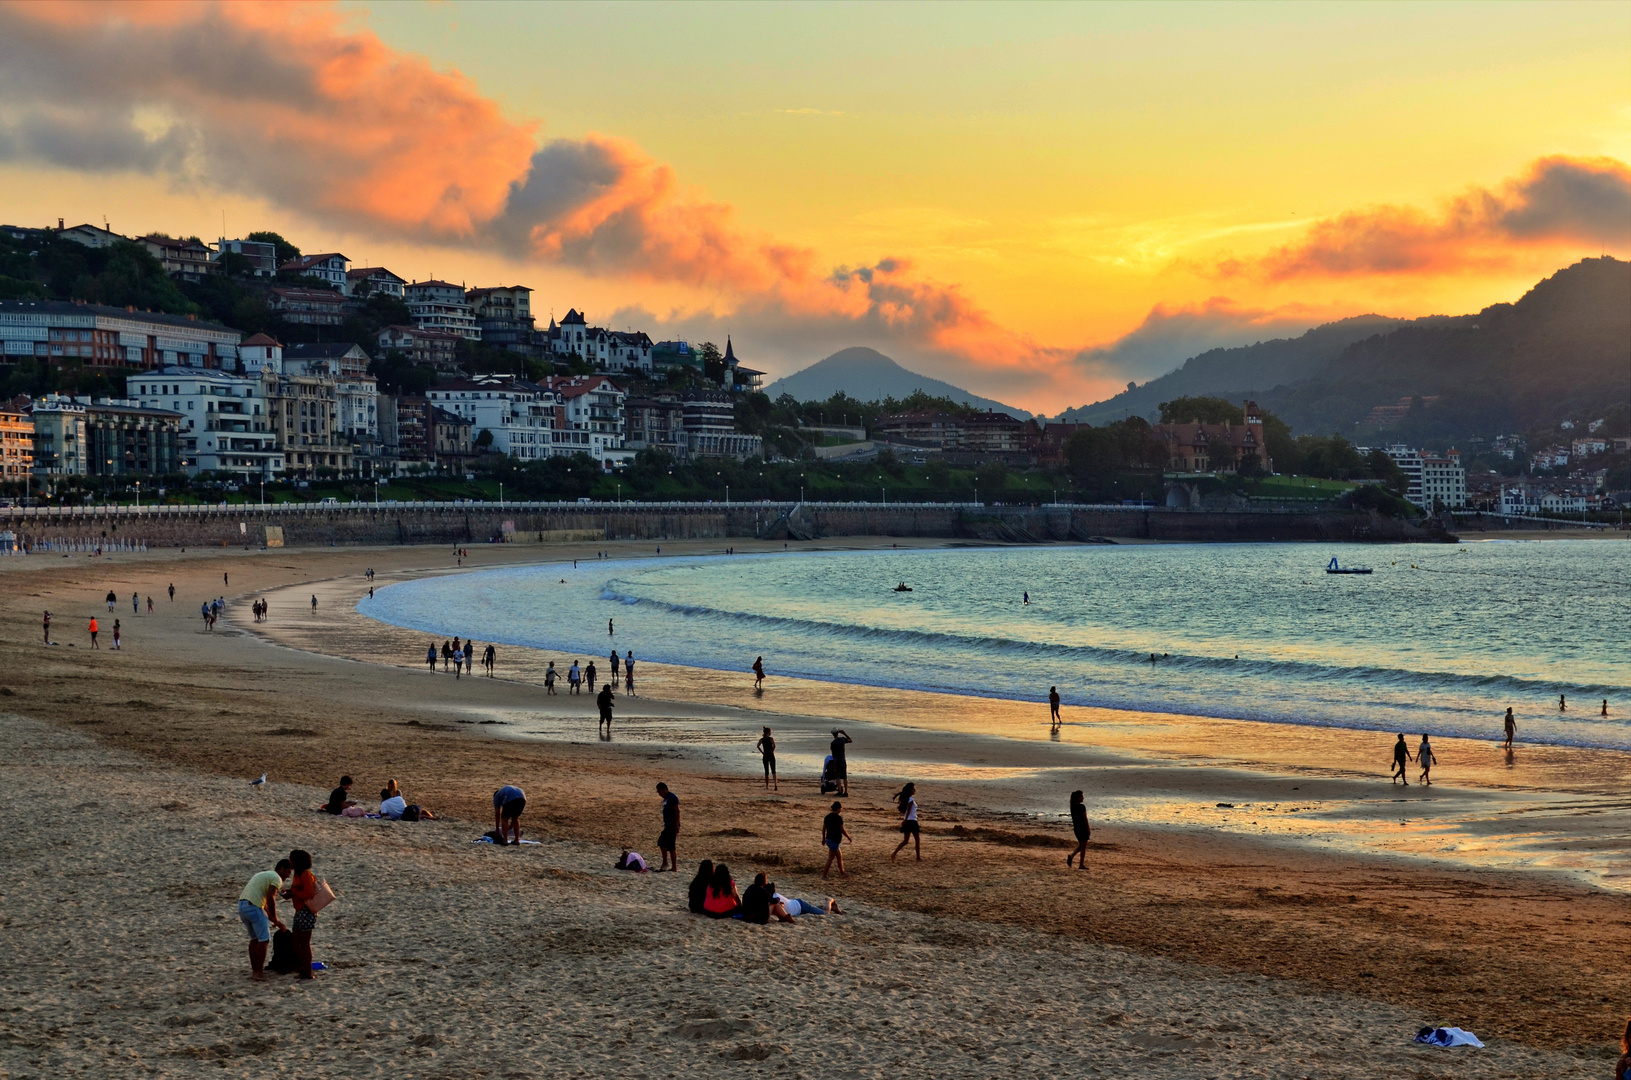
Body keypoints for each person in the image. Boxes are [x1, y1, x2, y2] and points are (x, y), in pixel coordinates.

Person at [238, 859, 292, 980]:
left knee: (255, 939)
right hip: (254, 907)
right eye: (288, 872)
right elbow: (270, 897)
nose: (288, 876)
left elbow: (263, 903)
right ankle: (258, 972)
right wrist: (276, 917)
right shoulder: (276, 878)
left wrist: (275, 921)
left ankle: (255, 970)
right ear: (281, 869)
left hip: (243, 906)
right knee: (264, 939)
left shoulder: (263, 874)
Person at [287, 849, 319, 980]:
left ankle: (308, 971)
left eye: (292, 859)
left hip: (306, 911)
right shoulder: (297, 875)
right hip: (299, 910)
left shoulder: (305, 874)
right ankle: (304, 967)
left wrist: (293, 894)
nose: (290, 862)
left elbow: (308, 894)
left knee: (304, 943)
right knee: (296, 942)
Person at [891, 783, 922, 862]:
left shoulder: (906, 799)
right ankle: (918, 857)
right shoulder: (911, 800)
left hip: (908, 821)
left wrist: (905, 819)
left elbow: (904, 811)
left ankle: (894, 853)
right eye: (913, 789)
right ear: (910, 791)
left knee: (905, 841)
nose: (914, 790)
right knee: (917, 840)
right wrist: (905, 819)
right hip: (912, 821)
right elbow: (908, 810)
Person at [822, 801, 851, 879]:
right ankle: (824, 875)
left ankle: (842, 873)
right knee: (830, 858)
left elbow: (824, 828)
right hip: (834, 841)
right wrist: (848, 837)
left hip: (829, 840)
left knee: (839, 856)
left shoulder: (827, 817)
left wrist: (824, 839)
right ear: (838, 809)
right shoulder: (838, 818)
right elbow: (842, 829)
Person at [656, 782, 679, 871]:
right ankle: (666, 862)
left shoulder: (672, 798)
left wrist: (676, 825)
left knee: (671, 846)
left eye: (660, 791)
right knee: (662, 842)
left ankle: (673, 867)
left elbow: (677, 811)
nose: (659, 794)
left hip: (672, 825)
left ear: (665, 789)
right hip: (667, 825)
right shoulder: (666, 798)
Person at [1067, 790, 1091, 869]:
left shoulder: (1073, 807)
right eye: (1082, 796)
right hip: (1083, 828)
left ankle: (1072, 855)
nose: (1083, 798)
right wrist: (1088, 828)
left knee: (1081, 846)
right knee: (1083, 847)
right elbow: (1085, 818)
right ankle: (1081, 864)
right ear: (1078, 798)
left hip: (1076, 828)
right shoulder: (1081, 807)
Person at [829, 729, 852, 797]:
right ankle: (846, 792)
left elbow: (833, 753)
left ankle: (839, 791)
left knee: (837, 777)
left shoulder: (833, 743)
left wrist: (833, 760)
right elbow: (850, 740)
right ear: (838, 733)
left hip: (836, 760)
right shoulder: (842, 739)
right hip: (842, 760)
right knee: (844, 777)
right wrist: (844, 733)